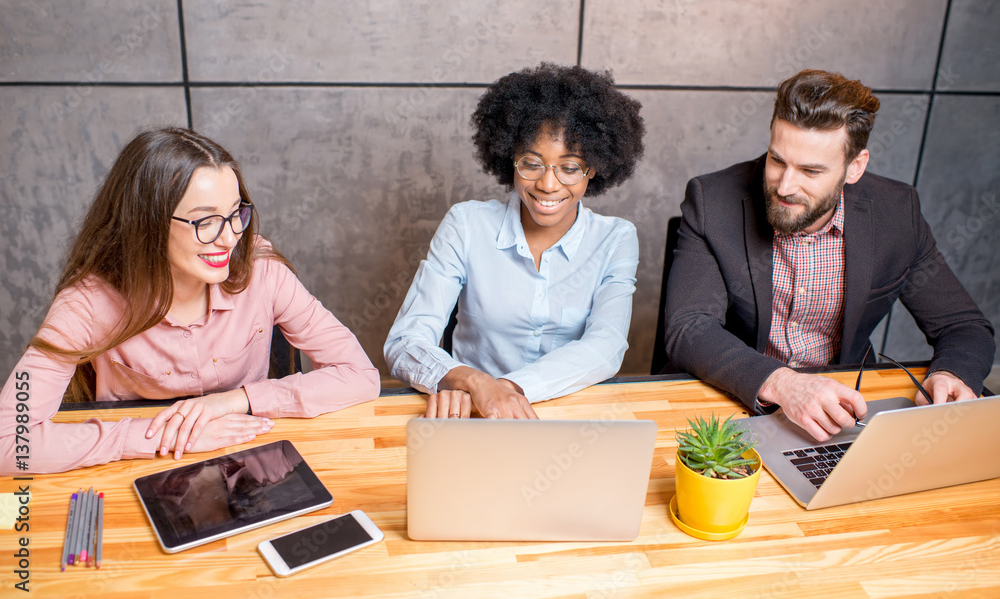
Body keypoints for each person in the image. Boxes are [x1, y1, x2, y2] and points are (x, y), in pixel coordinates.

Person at [0, 127, 380, 474]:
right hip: (134, 470)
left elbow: (360, 376)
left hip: (250, 464)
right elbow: (8, 443)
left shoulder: (262, 272)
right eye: (205, 222)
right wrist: (162, 435)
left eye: (235, 214)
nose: (230, 238)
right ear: (145, 223)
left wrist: (237, 401)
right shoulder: (87, 303)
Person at [663, 69, 995, 442]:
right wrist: (784, 384)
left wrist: (952, 373)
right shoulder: (714, 200)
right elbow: (689, 327)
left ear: (855, 167)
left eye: (810, 170)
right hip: (736, 399)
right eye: (777, 161)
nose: (785, 186)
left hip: (847, 410)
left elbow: (963, 326)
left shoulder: (897, 212)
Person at [384, 63, 645, 419]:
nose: (548, 185)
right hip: (473, 413)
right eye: (531, 163)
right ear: (510, 157)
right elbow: (404, 343)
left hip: (565, 419)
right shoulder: (467, 224)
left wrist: (507, 388)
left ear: (594, 168)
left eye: (569, 167)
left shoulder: (615, 239)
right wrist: (476, 383)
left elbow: (606, 346)